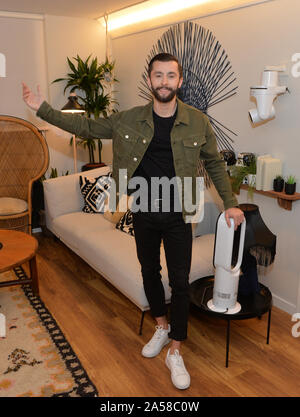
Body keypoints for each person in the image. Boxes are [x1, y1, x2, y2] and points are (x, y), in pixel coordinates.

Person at [22, 52, 244, 390]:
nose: (165, 82)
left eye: (171, 76)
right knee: (149, 272)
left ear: (179, 81)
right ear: (150, 81)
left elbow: (213, 163)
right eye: (159, 75)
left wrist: (230, 203)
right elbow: (85, 126)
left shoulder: (197, 122)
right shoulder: (128, 120)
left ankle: (176, 350)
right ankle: (160, 326)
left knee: (181, 281)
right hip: (142, 208)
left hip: (180, 212)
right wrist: (43, 108)